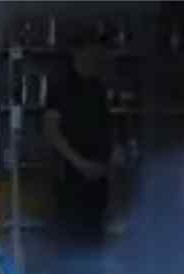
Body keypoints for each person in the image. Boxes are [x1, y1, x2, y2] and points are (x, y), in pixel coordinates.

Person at [42, 40, 114, 247]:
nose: (96, 61)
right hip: (70, 175)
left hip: (98, 177)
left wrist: (106, 163)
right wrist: (79, 163)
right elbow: (51, 131)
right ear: (77, 55)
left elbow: (105, 130)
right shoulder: (60, 88)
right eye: (92, 55)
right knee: (70, 237)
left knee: (94, 236)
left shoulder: (98, 88)